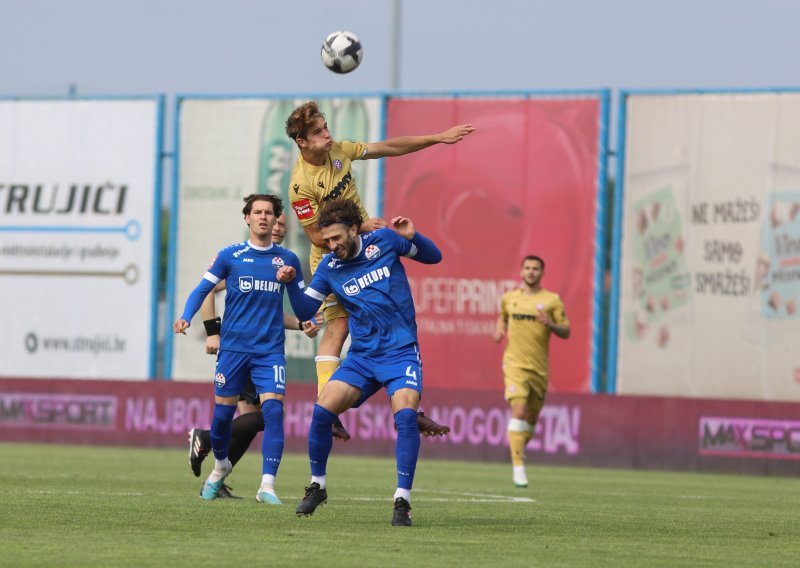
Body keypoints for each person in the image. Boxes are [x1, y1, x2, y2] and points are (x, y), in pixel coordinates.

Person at [285, 100, 474, 440]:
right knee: (338, 328)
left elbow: (386, 147)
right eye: (317, 132)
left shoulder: (339, 150)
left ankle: (407, 407)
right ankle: (325, 409)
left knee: (385, 316)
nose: (327, 135)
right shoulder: (301, 184)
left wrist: (437, 137)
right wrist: (361, 224)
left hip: (361, 245)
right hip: (333, 258)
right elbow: (314, 235)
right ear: (301, 141)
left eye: (325, 127)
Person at [278, 199, 442, 526]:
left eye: (338, 238)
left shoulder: (385, 241)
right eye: (328, 241)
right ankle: (318, 486)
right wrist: (293, 280)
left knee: (406, 416)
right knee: (322, 410)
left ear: (354, 229)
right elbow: (305, 311)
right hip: (363, 357)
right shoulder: (328, 267)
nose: (333, 246)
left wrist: (414, 235)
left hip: (400, 351)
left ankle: (402, 502)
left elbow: (434, 257)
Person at [174, 194, 305, 504]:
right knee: (223, 417)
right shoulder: (230, 256)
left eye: (268, 213)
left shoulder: (288, 260)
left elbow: (301, 306)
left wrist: (306, 318)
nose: (263, 217)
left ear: (276, 220)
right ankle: (220, 467)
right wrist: (187, 318)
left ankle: (267, 487)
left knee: (273, 412)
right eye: (257, 212)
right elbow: (203, 289)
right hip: (233, 350)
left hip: (269, 351)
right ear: (247, 218)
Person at [492, 255, 571, 488]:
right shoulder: (509, 298)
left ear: (542, 273)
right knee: (519, 409)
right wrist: (499, 332)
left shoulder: (552, 300)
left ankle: (518, 452)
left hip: (539, 369)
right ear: (521, 271)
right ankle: (519, 469)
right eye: (527, 268)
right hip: (514, 364)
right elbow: (502, 318)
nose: (531, 272)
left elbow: (566, 331)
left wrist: (551, 324)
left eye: (536, 268)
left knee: (531, 420)